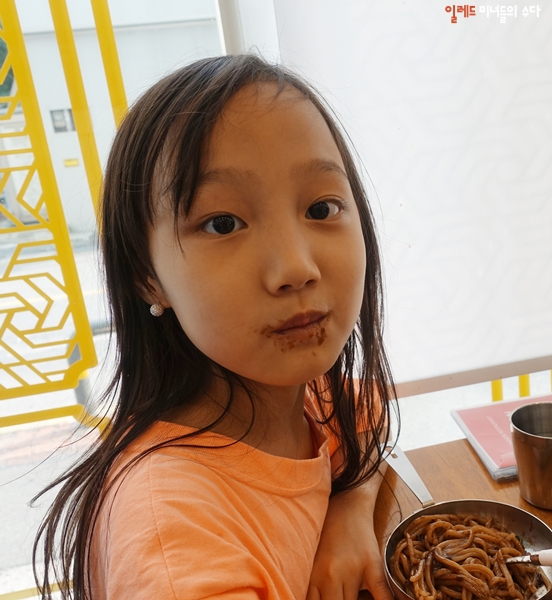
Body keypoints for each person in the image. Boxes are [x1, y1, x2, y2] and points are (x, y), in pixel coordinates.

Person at [33, 54, 398, 600]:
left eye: (322, 209)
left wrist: (350, 505)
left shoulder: (303, 396)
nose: (296, 267)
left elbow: (368, 416)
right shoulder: (176, 545)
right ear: (147, 277)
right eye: (223, 223)